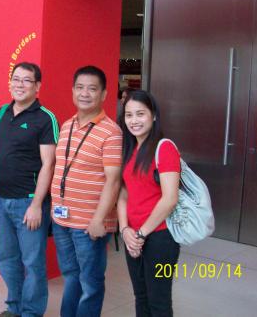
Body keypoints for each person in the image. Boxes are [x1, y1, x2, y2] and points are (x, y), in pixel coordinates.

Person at [0, 62, 58, 317]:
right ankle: (14, 307)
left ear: (38, 86)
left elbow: (49, 163)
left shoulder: (45, 118)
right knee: (5, 259)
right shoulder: (2, 112)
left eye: (27, 80)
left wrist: (37, 205)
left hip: (29, 203)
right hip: (1, 201)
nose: (20, 84)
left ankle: (31, 312)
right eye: (16, 79)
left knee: (33, 264)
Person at [50, 65, 122, 317]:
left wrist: (99, 220)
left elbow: (113, 181)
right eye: (80, 87)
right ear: (73, 91)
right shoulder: (67, 125)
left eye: (92, 89)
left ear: (103, 95)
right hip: (62, 220)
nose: (85, 93)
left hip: (89, 224)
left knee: (90, 283)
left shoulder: (111, 132)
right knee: (71, 276)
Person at [117, 89, 181, 317]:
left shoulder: (165, 148)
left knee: (159, 301)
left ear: (153, 115)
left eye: (140, 114)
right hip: (133, 236)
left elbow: (170, 198)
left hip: (161, 238)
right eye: (129, 115)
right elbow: (123, 194)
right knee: (141, 296)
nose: (134, 121)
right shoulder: (129, 149)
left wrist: (141, 234)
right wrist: (125, 230)